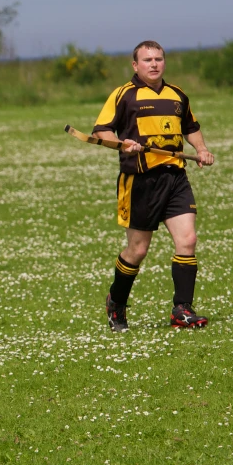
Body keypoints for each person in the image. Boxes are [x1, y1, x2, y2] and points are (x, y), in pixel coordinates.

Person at [92, 40, 215, 332]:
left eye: (158, 59)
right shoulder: (125, 95)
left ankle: (182, 310)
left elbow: (191, 127)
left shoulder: (177, 95)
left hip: (175, 178)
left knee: (188, 240)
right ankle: (116, 303)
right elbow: (101, 130)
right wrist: (123, 143)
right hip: (140, 181)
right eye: (147, 60)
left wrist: (201, 149)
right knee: (137, 250)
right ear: (135, 65)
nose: (154, 64)